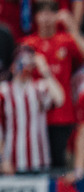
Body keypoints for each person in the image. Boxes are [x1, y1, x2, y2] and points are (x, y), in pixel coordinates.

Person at [21, 0, 84, 169]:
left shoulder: (65, 41)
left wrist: (73, 29)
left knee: (59, 162)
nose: (46, 18)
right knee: (37, 161)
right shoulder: (27, 45)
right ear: (36, 17)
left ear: (57, 17)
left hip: (63, 115)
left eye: (50, 14)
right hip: (35, 114)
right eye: (42, 14)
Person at [0, 46, 64, 174]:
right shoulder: (4, 91)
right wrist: (2, 159)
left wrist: (45, 70)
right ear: (13, 65)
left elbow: (59, 99)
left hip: (39, 161)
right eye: (21, 61)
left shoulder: (39, 88)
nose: (25, 65)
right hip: (12, 162)